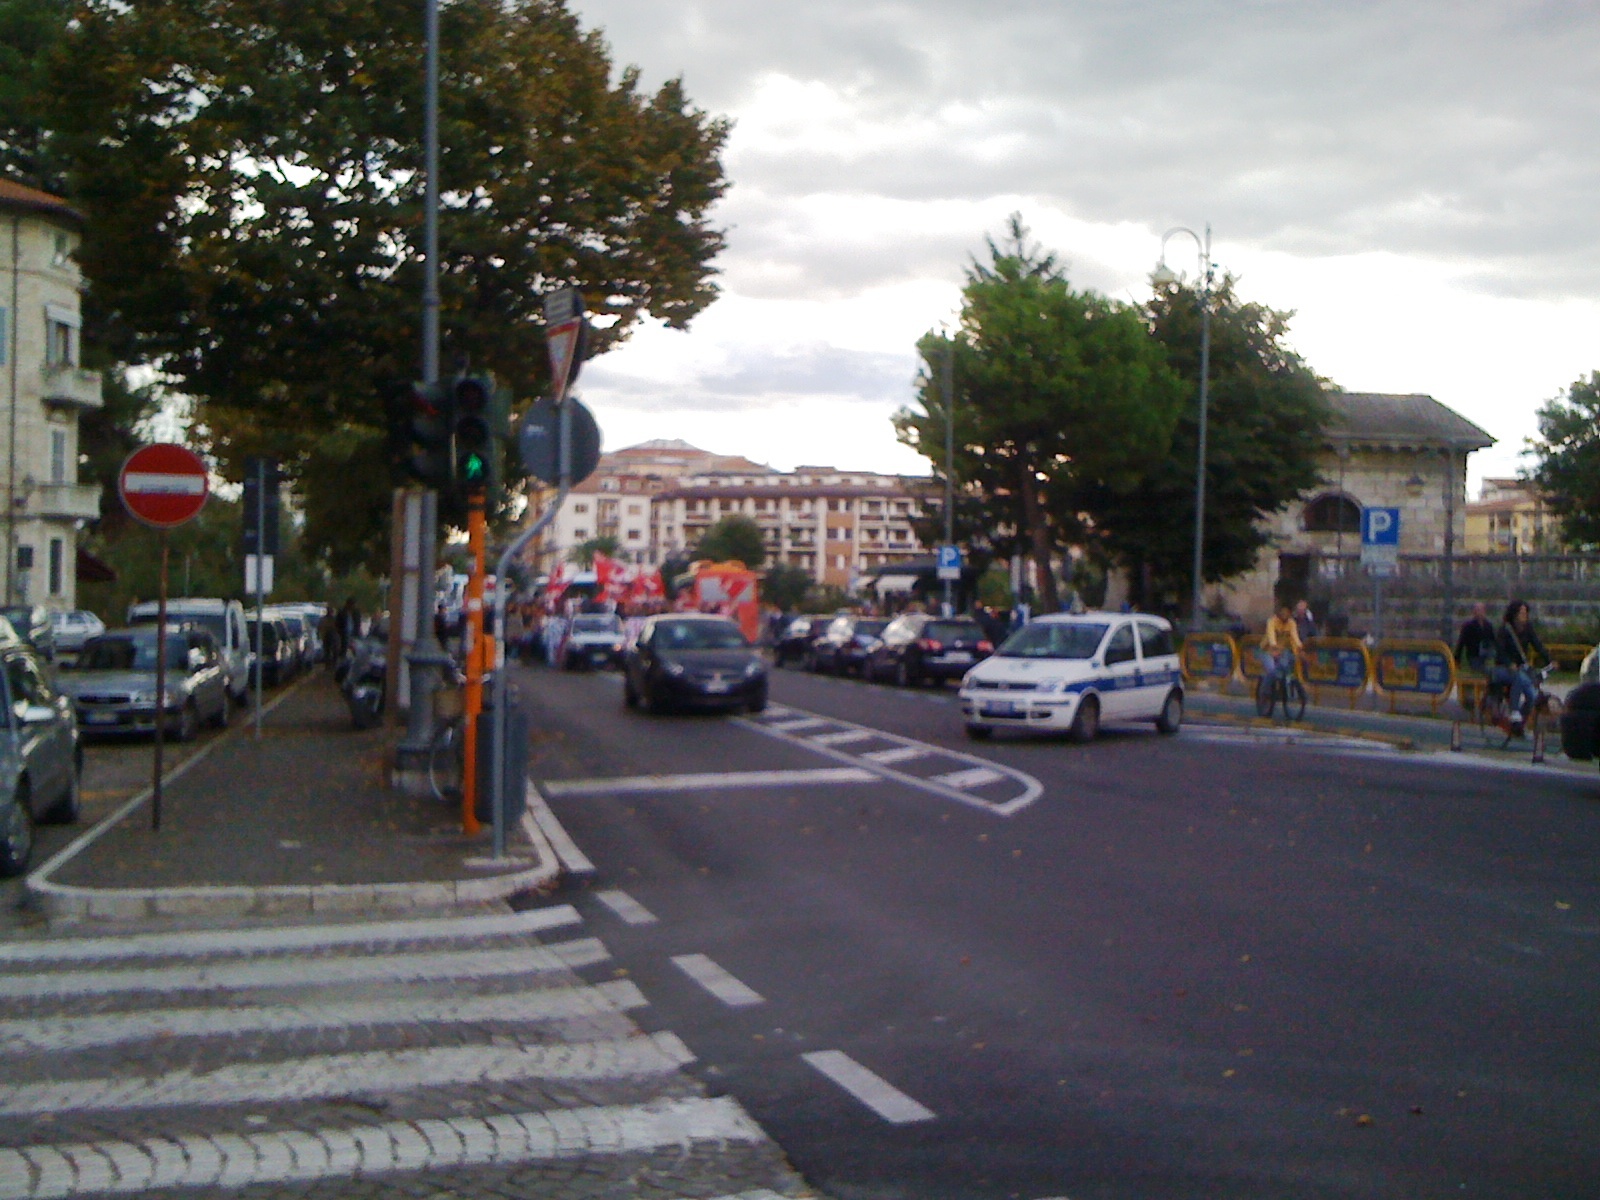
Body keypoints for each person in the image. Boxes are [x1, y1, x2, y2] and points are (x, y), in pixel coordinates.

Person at [1493, 599, 1548, 733]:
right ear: (1515, 614)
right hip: (1502, 669)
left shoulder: (1528, 629)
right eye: (1522, 613)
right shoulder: (1505, 629)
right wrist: (1508, 663)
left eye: (1526, 613)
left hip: (1520, 669)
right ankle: (1514, 711)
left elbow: (1537, 645)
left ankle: (1519, 724)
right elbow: (1499, 651)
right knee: (1518, 676)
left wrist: (1550, 661)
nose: (1525, 616)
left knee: (1532, 695)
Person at [1260, 604, 1302, 685]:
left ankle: (1284, 692)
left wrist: (1300, 647)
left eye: (1287, 612)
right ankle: (1265, 693)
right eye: (1283, 612)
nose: (1285, 614)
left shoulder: (1291, 623)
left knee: (1285, 668)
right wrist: (1274, 647)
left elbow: (1295, 636)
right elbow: (1271, 634)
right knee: (1271, 670)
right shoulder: (1272, 621)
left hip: (1282, 651)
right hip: (1268, 650)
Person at [1454, 602, 1496, 672]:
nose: (1480, 613)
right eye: (1477, 610)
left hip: (1487, 655)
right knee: (1483, 670)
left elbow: (1493, 640)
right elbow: (1461, 643)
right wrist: (1457, 660)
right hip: (1474, 656)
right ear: (1474, 612)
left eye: (1481, 610)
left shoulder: (1488, 626)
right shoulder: (1468, 626)